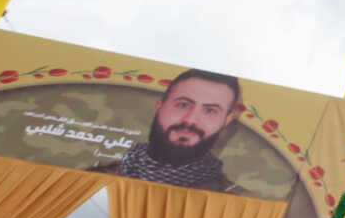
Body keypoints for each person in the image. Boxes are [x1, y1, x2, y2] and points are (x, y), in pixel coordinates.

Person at [97, 68, 241, 190]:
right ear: (159, 106)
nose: (190, 120)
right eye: (183, 105)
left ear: (226, 121)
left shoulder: (233, 199)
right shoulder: (97, 178)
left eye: (210, 111)